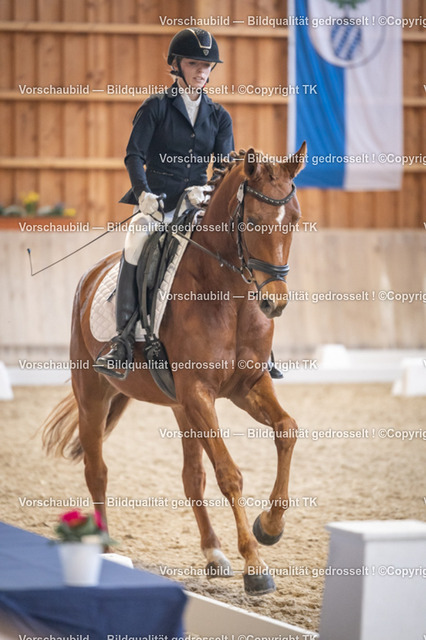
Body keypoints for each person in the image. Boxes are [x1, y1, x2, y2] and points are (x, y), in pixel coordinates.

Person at [94, 28, 282, 379]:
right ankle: (123, 340)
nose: (201, 71)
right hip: (158, 203)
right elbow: (134, 156)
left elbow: (225, 168)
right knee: (136, 243)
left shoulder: (218, 116)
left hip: (198, 203)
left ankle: (258, 343)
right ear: (177, 65)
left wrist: (206, 191)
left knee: (238, 247)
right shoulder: (156, 107)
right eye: (194, 64)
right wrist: (143, 194)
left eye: (207, 66)